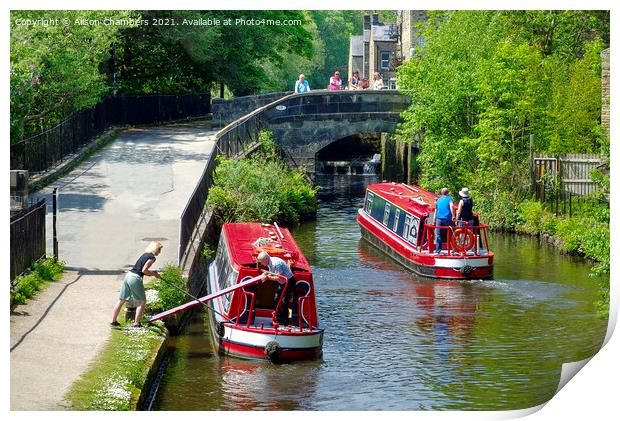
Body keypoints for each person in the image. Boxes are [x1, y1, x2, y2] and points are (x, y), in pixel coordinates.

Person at [111, 241, 163, 327]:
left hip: (128, 275)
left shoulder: (145, 254)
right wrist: (154, 274)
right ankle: (136, 323)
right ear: (156, 249)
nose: (159, 252)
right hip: (135, 278)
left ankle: (113, 322)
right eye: (159, 250)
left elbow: (142, 269)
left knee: (121, 300)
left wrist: (151, 273)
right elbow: (144, 270)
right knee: (142, 301)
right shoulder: (152, 257)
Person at [256, 251, 298, 325]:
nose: (261, 264)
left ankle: (283, 321)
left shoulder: (276, 263)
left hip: (288, 282)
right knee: (277, 299)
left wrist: (268, 277)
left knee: (283, 302)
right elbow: (273, 272)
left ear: (266, 259)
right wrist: (266, 273)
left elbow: (279, 278)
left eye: (261, 262)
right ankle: (278, 318)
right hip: (284, 283)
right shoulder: (270, 262)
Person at [433, 188, 454, 254]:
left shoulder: (438, 200)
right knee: (451, 234)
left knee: (438, 235)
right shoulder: (449, 199)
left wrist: (434, 220)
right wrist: (453, 215)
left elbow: (435, 211)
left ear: (442, 193)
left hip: (439, 219)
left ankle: (438, 251)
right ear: (448, 193)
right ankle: (453, 249)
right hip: (448, 219)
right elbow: (452, 206)